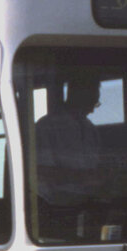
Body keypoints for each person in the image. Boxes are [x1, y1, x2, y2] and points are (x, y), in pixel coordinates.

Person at [35, 77, 102, 234]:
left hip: (85, 206)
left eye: (96, 103)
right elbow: (41, 171)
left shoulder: (90, 129)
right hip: (52, 208)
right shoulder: (47, 126)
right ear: (77, 96)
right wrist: (82, 177)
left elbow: (95, 167)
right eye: (92, 102)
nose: (93, 109)